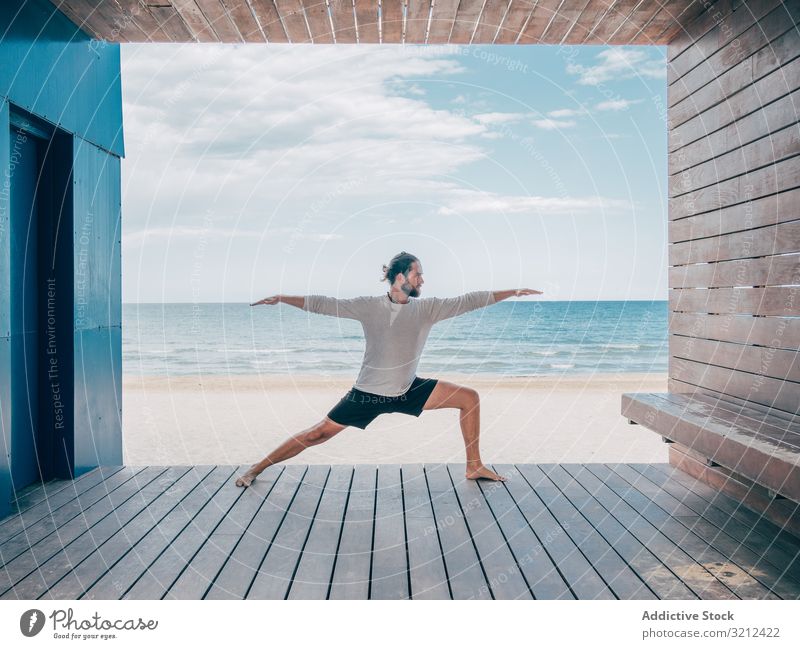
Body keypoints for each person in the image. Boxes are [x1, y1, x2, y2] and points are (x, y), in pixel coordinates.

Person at [236, 251, 542, 487]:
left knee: (469, 398)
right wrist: (282, 298)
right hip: (367, 394)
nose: (422, 280)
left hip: (407, 389)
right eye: (417, 274)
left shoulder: (428, 308)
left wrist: (511, 292)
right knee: (317, 434)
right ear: (399, 277)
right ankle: (256, 469)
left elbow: (468, 301)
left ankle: (474, 466)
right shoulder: (368, 306)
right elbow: (324, 304)